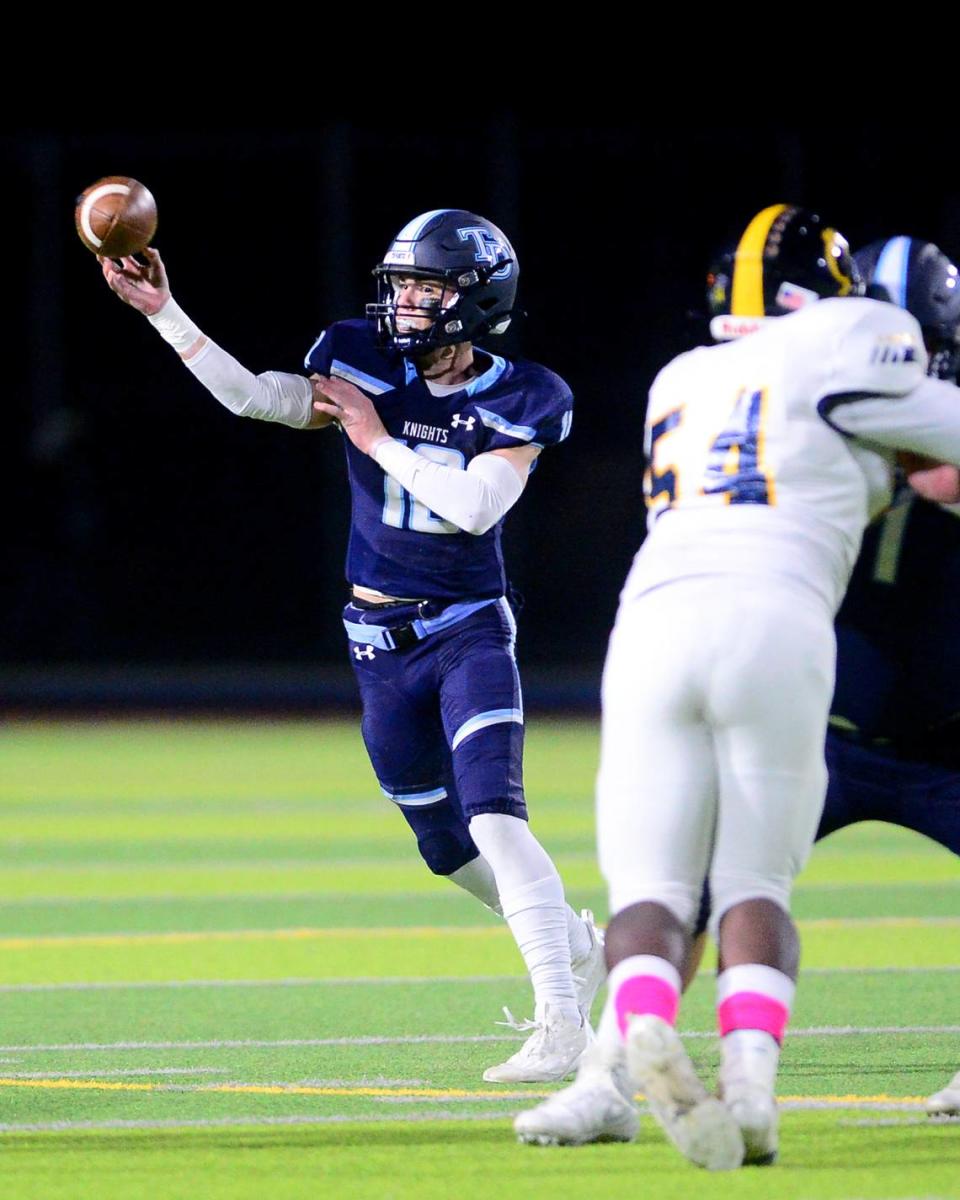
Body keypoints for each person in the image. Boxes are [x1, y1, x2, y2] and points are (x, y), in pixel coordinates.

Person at [98, 207, 605, 1083]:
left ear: (475, 299)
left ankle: (562, 1020)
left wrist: (376, 438)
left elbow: (475, 506)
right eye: (401, 284)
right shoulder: (358, 355)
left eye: (426, 286)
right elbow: (261, 397)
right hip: (375, 638)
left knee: (493, 811)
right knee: (445, 847)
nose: (405, 302)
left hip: (465, 629)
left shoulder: (526, 394)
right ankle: (578, 946)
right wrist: (163, 314)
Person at [514, 205, 960, 1166]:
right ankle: (745, 1089)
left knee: (655, 886)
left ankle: (632, 1037)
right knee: (754, 881)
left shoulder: (684, 375)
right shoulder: (858, 340)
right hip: (781, 631)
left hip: (652, 623)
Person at [821, 236, 960, 1119]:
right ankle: (611, 1067)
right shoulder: (811, 403)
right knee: (699, 880)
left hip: (949, 732)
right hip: (827, 725)